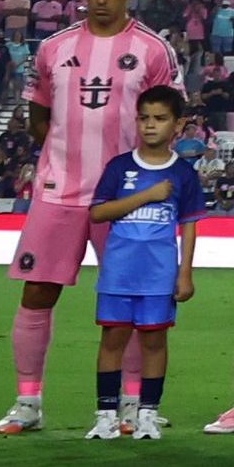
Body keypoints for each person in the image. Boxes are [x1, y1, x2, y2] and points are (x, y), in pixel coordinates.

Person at [0, 0, 179, 436]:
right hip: (59, 191)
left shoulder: (152, 51)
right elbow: (38, 109)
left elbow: (167, 118)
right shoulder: (54, 47)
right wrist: (60, 153)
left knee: (136, 301)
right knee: (37, 293)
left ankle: (133, 406)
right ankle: (27, 402)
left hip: (125, 199)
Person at [80, 87, 202, 441]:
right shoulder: (119, 167)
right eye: (144, 118)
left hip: (159, 273)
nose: (150, 126)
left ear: (177, 125)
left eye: (160, 119)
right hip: (119, 270)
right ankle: (105, 414)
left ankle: (148, 414)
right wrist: (147, 195)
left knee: (154, 342)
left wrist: (185, 272)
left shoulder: (183, 174)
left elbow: (189, 224)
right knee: (112, 338)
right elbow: (99, 212)